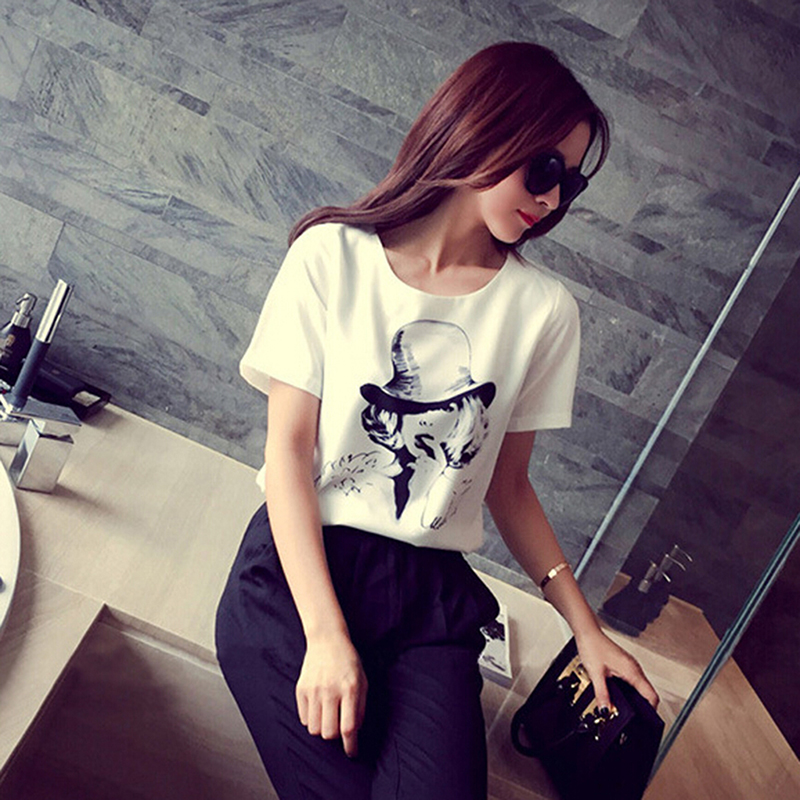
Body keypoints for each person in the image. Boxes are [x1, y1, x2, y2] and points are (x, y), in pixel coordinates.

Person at [216, 40, 658, 800]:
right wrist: (325, 635)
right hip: (297, 577)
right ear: (483, 130)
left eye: (569, 182)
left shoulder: (543, 312)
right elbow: (286, 453)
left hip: (428, 603)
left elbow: (508, 487)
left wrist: (585, 630)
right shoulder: (331, 257)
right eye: (543, 169)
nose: (552, 198)